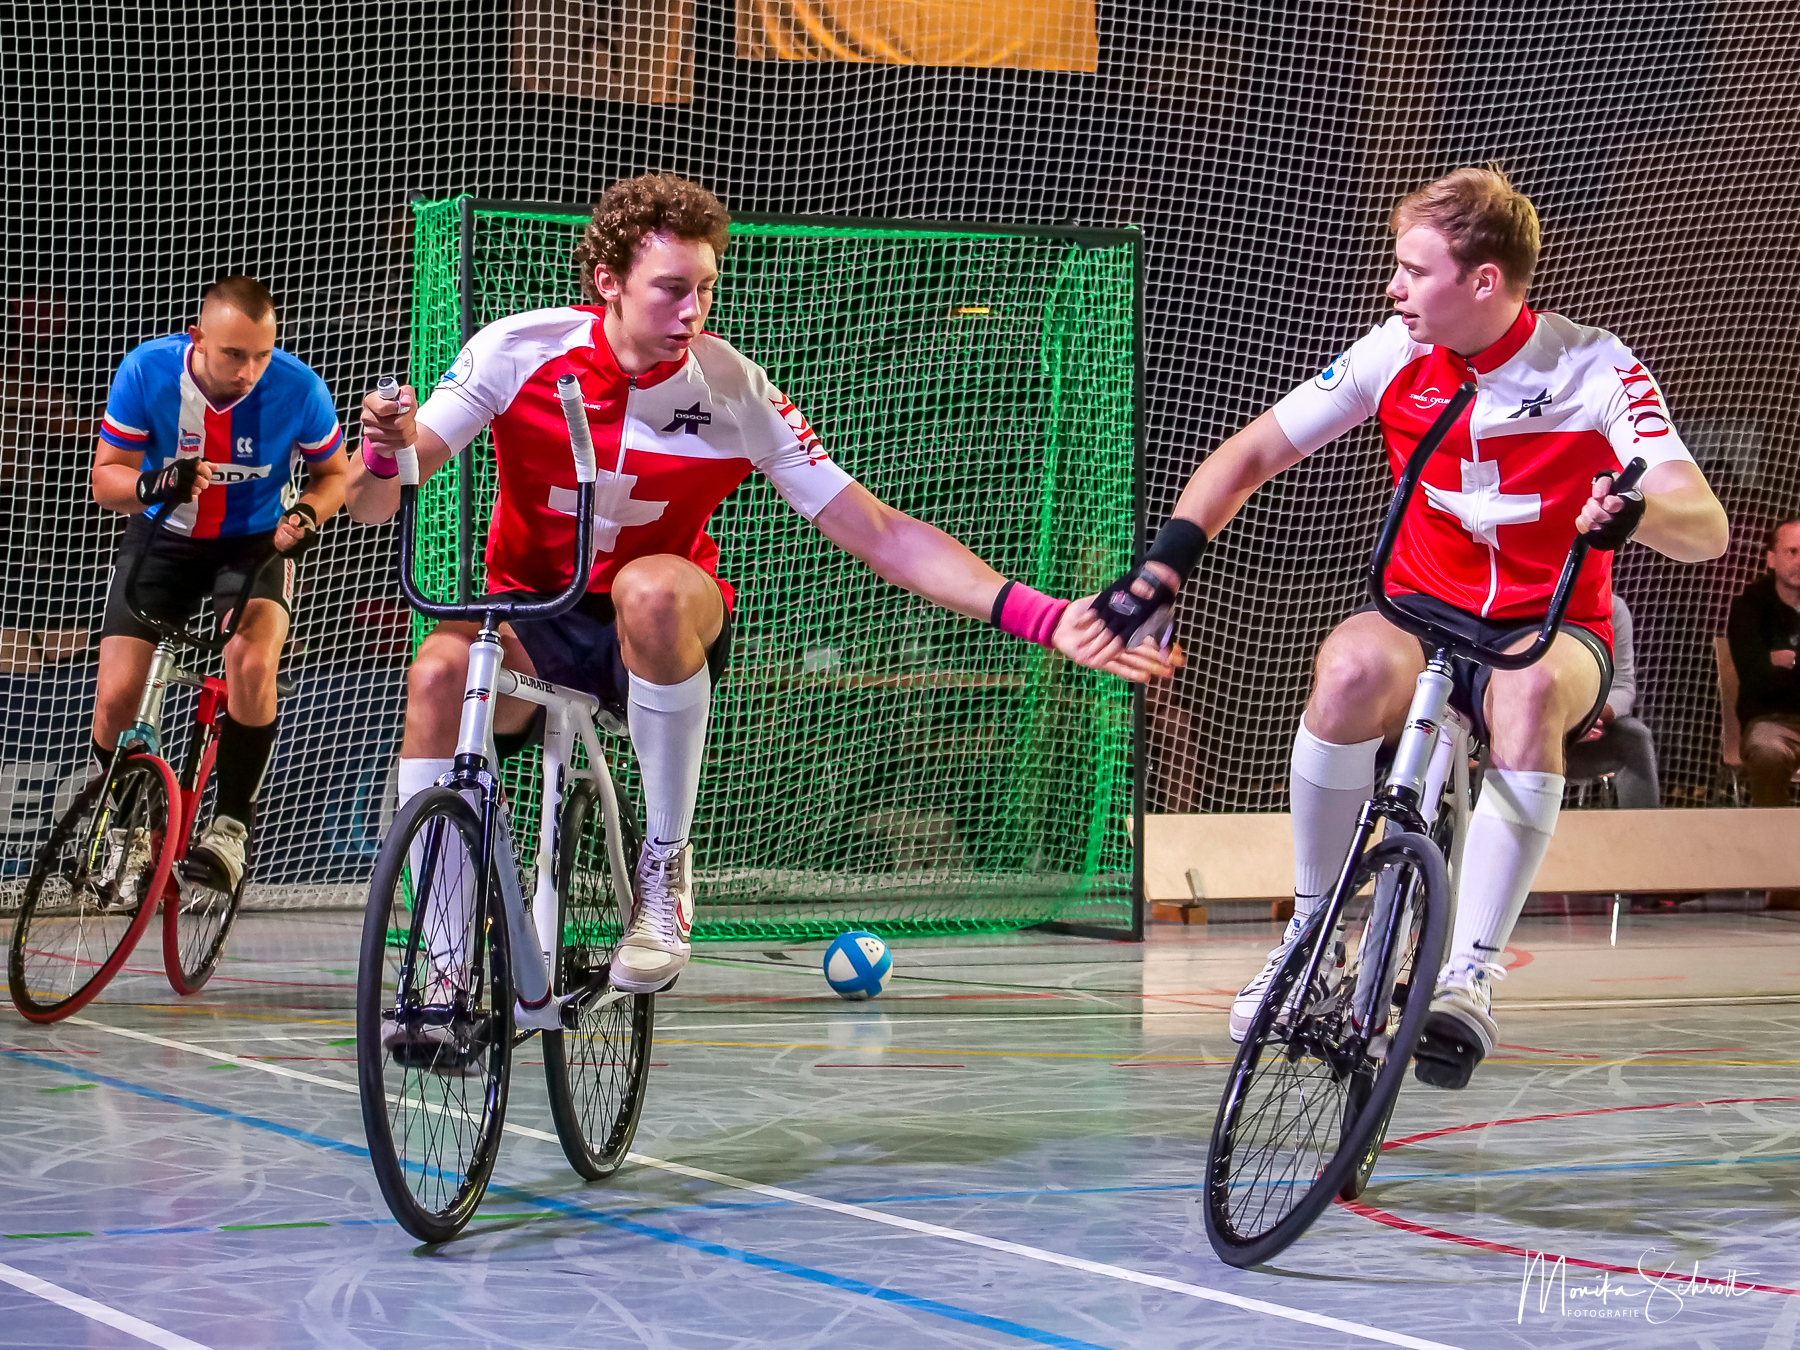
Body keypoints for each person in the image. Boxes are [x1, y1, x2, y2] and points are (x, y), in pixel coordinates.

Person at [347, 173, 1170, 1000]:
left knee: (652, 589)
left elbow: (879, 532)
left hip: (665, 624)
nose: (692, 311)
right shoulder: (517, 351)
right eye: (671, 289)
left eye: (705, 288)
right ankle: (446, 969)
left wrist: (1044, 614)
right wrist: (383, 451)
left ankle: (664, 870)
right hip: (536, 613)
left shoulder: (735, 390)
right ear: (609, 283)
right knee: (438, 673)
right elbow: (375, 505)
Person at [1074, 165, 1727, 1088]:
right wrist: (1162, 566)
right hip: (1419, 615)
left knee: (1527, 691)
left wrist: (1634, 514)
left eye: (1414, 271)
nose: (1393, 288)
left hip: (1549, 629)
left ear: (1483, 281)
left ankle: (1471, 974)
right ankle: (1314, 929)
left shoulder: (1596, 367)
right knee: (1343, 669)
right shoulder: (1392, 354)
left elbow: (1705, 526)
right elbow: (1254, 450)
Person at [92, 276, 348, 890]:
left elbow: (334, 473)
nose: (250, 370)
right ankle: (128, 824)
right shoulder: (146, 372)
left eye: (262, 354)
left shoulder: (299, 388)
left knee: (251, 661)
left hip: (256, 543)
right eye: (234, 354)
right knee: (115, 697)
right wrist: (154, 485)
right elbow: (106, 482)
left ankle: (230, 829)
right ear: (199, 338)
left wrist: (308, 514)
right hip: (166, 536)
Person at [1727, 516, 1800, 806]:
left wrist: (1782, 662)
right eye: (1792, 552)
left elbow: (1765, 668)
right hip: (1771, 722)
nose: (1799, 561)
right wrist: (1767, 665)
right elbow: (1755, 676)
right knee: (1768, 752)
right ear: (1771, 559)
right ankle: (1771, 846)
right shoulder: (1749, 607)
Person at [1563, 594, 1660, 808]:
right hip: (1530, 733)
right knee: (1494, 742)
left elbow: (1623, 686)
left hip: (1584, 733)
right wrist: (1562, 724)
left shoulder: (1612, 607)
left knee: (1635, 738)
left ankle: (1644, 837)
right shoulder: (1527, 604)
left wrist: (1591, 717)